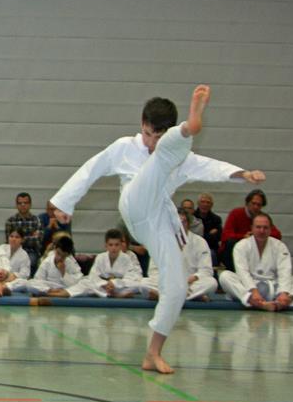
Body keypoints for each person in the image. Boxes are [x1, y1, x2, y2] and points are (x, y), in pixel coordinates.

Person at [49, 85, 265, 373]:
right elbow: (92, 169)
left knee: (176, 287)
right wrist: (64, 203)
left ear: (167, 132)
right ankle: (189, 127)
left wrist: (242, 173)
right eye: (148, 134)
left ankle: (153, 353)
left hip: (159, 222)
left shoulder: (178, 158)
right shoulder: (125, 147)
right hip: (134, 204)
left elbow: (210, 167)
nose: (151, 141)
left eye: (158, 137)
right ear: (142, 125)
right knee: (160, 161)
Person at [219, 213, 293, 311]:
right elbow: (242, 272)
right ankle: (258, 303)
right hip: (250, 289)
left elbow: (284, 271)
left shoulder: (279, 246)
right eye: (258, 227)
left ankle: (282, 302)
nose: (262, 231)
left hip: (274, 287)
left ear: (270, 229)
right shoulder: (241, 246)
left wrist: (283, 292)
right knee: (225, 276)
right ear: (252, 228)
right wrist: (254, 291)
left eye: (265, 227)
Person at [139, 208, 217, 302]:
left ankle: (167, 296)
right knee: (143, 283)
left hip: (190, 282)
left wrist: (193, 278)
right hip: (167, 282)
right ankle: (190, 296)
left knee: (211, 282)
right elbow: (153, 271)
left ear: (188, 224)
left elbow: (206, 270)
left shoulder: (200, 242)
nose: (180, 225)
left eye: (183, 222)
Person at [220, 189, 282, 271]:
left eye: (259, 205)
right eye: (253, 203)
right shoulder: (236, 213)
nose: (256, 207)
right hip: (235, 251)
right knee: (231, 242)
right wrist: (243, 236)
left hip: (254, 251)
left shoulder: (263, 217)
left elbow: (277, 235)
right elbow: (226, 235)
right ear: (247, 203)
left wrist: (258, 234)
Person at [74, 229, 143, 298]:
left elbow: (131, 276)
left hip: (119, 286)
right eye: (111, 245)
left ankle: (113, 293)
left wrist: (115, 283)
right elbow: (93, 275)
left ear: (120, 245)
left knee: (138, 284)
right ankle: (115, 294)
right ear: (106, 245)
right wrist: (104, 284)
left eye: (116, 245)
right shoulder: (100, 257)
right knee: (84, 282)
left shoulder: (126, 258)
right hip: (103, 286)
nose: (113, 248)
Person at [5, 192, 43, 271]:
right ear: (16, 205)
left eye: (25, 203)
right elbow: (9, 241)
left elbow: (37, 241)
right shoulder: (10, 220)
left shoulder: (37, 220)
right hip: (14, 251)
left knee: (31, 261)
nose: (23, 205)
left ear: (30, 204)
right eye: (20, 203)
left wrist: (19, 239)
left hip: (31, 252)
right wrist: (30, 237)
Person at [194, 192, 223, 266]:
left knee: (211, 254)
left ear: (211, 205)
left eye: (208, 202)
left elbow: (218, 237)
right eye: (202, 202)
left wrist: (203, 235)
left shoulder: (216, 219)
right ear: (198, 203)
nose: (205, 204)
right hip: (194, 247)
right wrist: (209, 234)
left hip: (210, 247)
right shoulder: (192, 217)